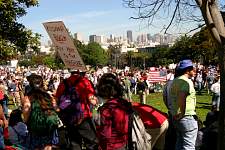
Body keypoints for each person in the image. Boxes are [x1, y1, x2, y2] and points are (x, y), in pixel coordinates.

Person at [55, 69, 99, 150]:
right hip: (84, 116)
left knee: (74, 143)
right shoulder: (85, 81)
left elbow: (57, 99)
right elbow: (91, 99)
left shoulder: (63, 83)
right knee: (91, 143)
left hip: (69, 117)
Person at [22, 73, 58, 150]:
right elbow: (56, 108)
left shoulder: (28, 97)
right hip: (49, 125)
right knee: (48, 146)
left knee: (37, 146)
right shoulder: (48, 95)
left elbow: (26, 110)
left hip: (36, 126)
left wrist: (25, 121)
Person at [96, 73, 130, 150]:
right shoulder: (124, 103)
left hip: (111, 145)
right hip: (125, 142)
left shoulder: (107, 109)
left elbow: (105, 134)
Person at [169, 59, 198, 150]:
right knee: (188, 146)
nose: (195, 71)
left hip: (176, 117)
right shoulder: (186, 81)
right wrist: (182, 113)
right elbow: (182, 97)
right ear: (187, 70)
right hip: (186, 116)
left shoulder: (174, 81)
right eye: (193, 69)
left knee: (180, 142)